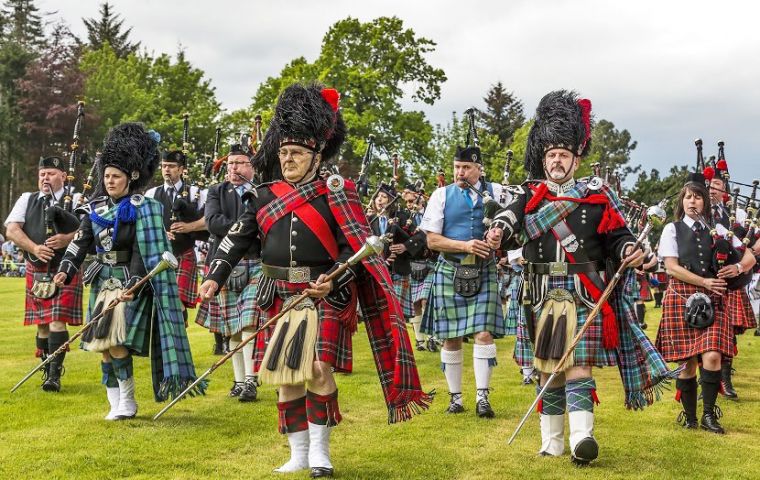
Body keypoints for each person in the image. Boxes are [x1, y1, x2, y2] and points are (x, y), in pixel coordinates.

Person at [199, 82, 429, 478]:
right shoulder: (265, 195)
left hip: (324, 294)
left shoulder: (336, 193)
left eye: (296, 153)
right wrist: (214, 277)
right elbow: (237, 238)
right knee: (286, 374)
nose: (287, 160)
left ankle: (321, 453)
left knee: (319, 370)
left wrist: (334, 281)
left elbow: (353, 250)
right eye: (283, 153)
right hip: (277, 293)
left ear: (316, 155)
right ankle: (298, 455)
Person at [486, 90, 675, 465]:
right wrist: (497, 231)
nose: (557, 161)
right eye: (551, 155)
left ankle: (581, 439)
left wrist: (627, 251)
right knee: (547, 370)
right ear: (544, 159)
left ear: (576, 158)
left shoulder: (597, 194)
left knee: (578, 365)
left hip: (584, 292)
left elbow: (618, 235)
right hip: (539, 292)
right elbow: (508, 219)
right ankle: (551, 442)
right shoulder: (529, 195)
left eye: (563, 155)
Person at [53, 123, 205, 420]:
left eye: (115, 176)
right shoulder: (95, 207)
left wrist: (135, 282)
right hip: (100, 278)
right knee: (102, 346)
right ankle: (114, 403)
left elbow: (141, 249)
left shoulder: (142, 207)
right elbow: (81, 242)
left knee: (117, 342)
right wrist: (65, 269)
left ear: (130, 177)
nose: (109, 181)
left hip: (126, 281)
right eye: (107, 175)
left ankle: (129, 400)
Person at [420, 143, 508, 418]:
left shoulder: (497, 193)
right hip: (450, 268)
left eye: (466, 167)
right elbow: (432, 240)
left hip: (484, 269)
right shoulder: (441, 195)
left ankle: (483, 397)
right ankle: (456, 398)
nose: (460, 172)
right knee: (451, 337)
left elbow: (513, 228)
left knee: (483, 333)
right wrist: (465, 246)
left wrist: (499, 236)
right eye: (457, 167)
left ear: (479, 169)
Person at [4, 156, 83, 392]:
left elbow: (90, 229)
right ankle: (47, 369)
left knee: (57, 320)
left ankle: (54, 376)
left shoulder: (77, 199)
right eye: (42, 174)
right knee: (42, 325)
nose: (45, 178)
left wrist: (67, 239)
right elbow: (11, 229)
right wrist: (35, 248)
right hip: (36, 267)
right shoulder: (27, 199)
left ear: (63, 176)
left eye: (50, 173)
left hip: (65, 268)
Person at [196, 144, 263, 402]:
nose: (233, 168)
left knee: (249, 322)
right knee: (232, 328)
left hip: (255, 262)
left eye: (240, 162)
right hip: (222, 264)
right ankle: (238, 381)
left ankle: (250, 380)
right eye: (230, 163)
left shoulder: (261, 191)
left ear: (252, 166)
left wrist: (239, 229)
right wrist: (248, 228)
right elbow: (212, 222)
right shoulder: (216, 191)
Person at [703, 158, 756, 399]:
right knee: (702, 331)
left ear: (724, 189)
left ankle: (724, 379)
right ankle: (705, 382)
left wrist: (742, 263)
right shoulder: (697, 210)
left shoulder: (737, 213)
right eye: (710, 185)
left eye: (717, 185)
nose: (713, 189)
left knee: (728, 332)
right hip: (703, 280)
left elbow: (751, 243)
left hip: (731, 282)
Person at [145, 149, 208, 323]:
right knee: (162, 301)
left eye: (171, 166)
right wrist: (160, 232)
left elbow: (208, 220)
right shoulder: (151, 194)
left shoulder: (197, 192)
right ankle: (173, 333)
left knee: (178, 300)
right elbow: (145, 223)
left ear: (181, 170)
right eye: (164, 166)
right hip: (160, 255)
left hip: (184, 252)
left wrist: (189, 227)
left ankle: (178, 333)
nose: (167, 170)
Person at [367, 182, 426, 322]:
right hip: (377, 271)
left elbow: (421, 236)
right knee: (380, 314)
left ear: (392, 201)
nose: (379, 200)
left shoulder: (402, 217)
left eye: (384, 197)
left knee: (396, 315)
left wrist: (405, 246)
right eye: (378, 197)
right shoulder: (370, 220)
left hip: (398, 271)